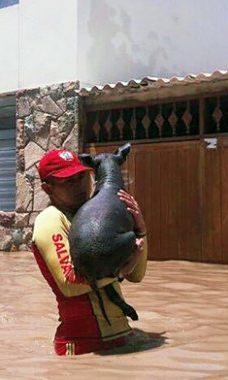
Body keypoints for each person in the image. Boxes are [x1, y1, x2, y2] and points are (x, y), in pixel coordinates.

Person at [31, 149, 148, 356]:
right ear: (47, 188)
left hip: (123, 340)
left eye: (81, 177)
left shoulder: (97, 217)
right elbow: (69, 285)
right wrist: (118, 273)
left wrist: (141, 230)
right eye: (68, 181)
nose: (79, 185)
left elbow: (136, 275)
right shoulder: (50, 220)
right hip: (81, 348)